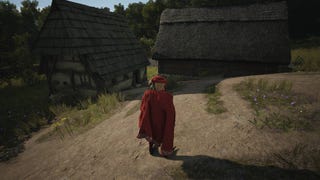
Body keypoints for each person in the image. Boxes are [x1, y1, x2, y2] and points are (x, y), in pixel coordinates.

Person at [137, 75, 176, 157]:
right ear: (162, 85)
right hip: (161, 121)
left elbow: (143, 107)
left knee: (152, 132)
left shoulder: (147, 94)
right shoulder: (167, 96)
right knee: (162, 134)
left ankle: (151, 148)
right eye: (162, 85)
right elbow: (170, 112)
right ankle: (165, 150)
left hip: (150, 120)